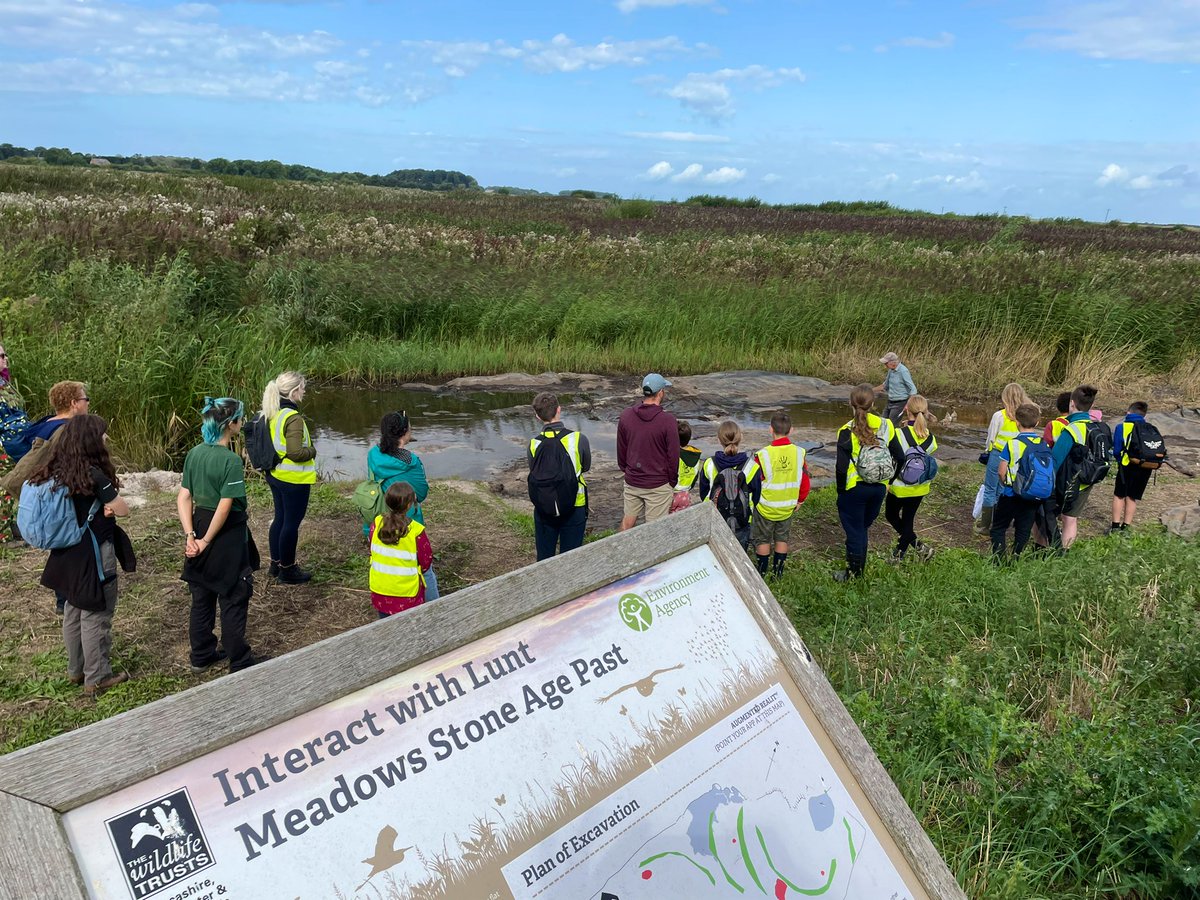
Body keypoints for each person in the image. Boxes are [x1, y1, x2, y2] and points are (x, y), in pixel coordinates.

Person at [28, 415, 130, 695]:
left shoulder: (56, 469)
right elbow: (122, 509)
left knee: (73, 607)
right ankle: (97, 677)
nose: (106, 439)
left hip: (66, 551)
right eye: (102, 435)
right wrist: (111, 506)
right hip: (94, 550)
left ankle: (76, 670)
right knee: (97, 611)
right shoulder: (94, 474)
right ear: (91, 441)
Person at [177, 397, 267, 674]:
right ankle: (239, 659)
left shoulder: (194, 453)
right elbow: (226, 505)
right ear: (231, 425)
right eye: (241, 418)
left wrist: (191, 535)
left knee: (201, 593)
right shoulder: (231, 460)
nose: (243, 422)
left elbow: (184, 497)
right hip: (225, 532)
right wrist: (205, 541)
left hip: (199, 522)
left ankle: (201, 654)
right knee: (234, 592)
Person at [366, 411, 440, 599]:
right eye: (410, 427)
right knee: (424, 568)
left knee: (388, 557)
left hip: (380, 516)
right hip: (407, 519)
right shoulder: (410, 461)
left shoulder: (374, 454)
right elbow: (421, 494)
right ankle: (433, 603)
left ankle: (393, 594)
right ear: (404, 432)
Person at [834, 385, 903, 581]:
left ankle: (853, 575)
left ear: (850, 403)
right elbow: (900, 456)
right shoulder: (887, 425)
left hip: (854, 489)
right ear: (873, 404)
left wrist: (841, 491)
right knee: (862, 528)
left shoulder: (846, 430)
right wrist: (889, 481)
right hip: (879, 488)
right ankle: (858, 571)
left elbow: (841, 468)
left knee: (855, 531)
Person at [262, 371, 316, 584]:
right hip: (294, 479)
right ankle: (288, 570)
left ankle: (275, 565)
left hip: (275, 475)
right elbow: (295, 452)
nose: (304, 392)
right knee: (290, 524)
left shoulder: (272, 412)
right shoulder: (293, 417)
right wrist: (312, 451)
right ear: (294, 392)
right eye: (302, 388)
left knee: (280, 518)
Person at [745, 411, 810, 578]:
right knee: (782, 539)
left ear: (770, 429)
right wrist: (800, 500)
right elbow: (805, 481)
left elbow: (753, 481)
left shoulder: (763, 454)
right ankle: (778, 573)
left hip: (766, 506)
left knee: (763, 540)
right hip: (787, 506)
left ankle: (762, 572)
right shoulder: (799, 453)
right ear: (791, 430)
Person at [527, 392, 589, 561]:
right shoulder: (578, 439)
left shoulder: (534, 443)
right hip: (575, 504)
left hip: (544, 505)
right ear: (559, 410)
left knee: (544, 558)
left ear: (537, 416)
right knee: (571, 557)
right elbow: (586, 466)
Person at [617, 373, 680, 530]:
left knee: (627, 524)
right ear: (660, 393)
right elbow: (673, 456)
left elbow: (621, 450)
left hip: (633, 480)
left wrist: (628, 471)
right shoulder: (668, 421)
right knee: (654, 531)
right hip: (658, 484)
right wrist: (672, 481)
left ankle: (619, 552)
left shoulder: (626, 415)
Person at [884, 395, 937, 563]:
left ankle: (905, 553)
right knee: (908, 521)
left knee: (891, 515)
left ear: (907, 410)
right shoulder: (931, 439)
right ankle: (911, 551)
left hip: (898, 486)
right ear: (925, 411)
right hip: (920, 487)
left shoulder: (898, 434)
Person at [975, 382, 1033, 536]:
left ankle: (985, 526)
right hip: (1016, 457)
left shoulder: (999, 415)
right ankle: (999, 522)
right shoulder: (1023, 417)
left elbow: (991, 438)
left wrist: (986, 451)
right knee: (1004, 489)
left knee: (990, 489)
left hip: (998, 454)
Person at [991, 403, 1047, 562]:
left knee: (998, 528)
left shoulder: (1011, 444)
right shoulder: (1043, 444)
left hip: (1010, 493)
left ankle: (999, 560)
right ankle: (1016, 557)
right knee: (1023, 529)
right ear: (1037, 423)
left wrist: (1005, 484)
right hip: (1033, 494)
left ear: (1017, 422)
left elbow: (1001, 471)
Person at [369, 482, 433, 618]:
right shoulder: (416, 531)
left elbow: (371, 548)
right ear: (409, 505)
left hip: (380, 590)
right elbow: (426, 562)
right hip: (407, 594)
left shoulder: (376, 523)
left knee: (386, 626)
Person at [1052, 384, 1102, 550]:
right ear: (1091, 406)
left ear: (1071, 404)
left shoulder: (1071, 429)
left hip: (1070, 480)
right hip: (1088, 479)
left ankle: (1058, 550)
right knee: (1072, 518)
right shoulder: (1095, 426)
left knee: (1065, 518)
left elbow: (1056, 460)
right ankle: (1066, 551)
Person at [698, 420, 759, 548]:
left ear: (719, 440)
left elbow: (703, 493)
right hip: (742, 519)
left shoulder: (709, 463)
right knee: (740, 554)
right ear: (740, 438)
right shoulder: (752, 466)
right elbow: (756, 495)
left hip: (715, 518)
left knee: (717, 554)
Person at [1110, 401, 1155, 534]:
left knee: (1119, 495)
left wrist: (1119, 460)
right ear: (1144, 414)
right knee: (1132, 496)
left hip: (1126, 466)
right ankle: (1127, 527)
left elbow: (1117, 450)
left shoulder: (1121, 427)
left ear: (1128, 412)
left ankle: (1115, 527)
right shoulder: (1149, 427)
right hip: (1145, 466)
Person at [0, 342, 28, 453]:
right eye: (2, 356)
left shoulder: (4, 380)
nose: (5, 358)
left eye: (5, 355)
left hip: (18, 432)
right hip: (8, 440)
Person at [875, 352, 917, 422]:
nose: (885, 365)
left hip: (900, 403)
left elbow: (913, 389)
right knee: (883, 422)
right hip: (890, 401)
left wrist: (908, 404)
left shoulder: (903, 371)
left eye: (886, 363)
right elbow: (885, 385)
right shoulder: (891, 371)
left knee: (892, 424)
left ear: (893, 363)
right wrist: (870, 390)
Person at [672, 420, 702, 513]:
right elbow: (696, 475)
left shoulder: (674, 454)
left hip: (672, 494)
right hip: (685, 494)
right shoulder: (695, 455)